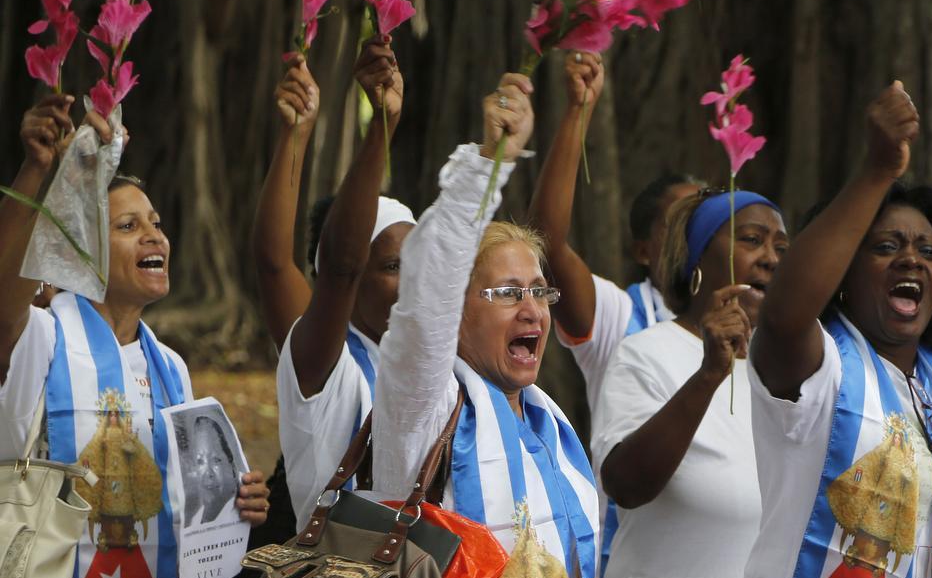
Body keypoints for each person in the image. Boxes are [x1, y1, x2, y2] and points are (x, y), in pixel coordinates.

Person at [0, 95, 269, 578]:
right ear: (81, 252)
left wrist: (234, 501)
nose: (155, 237)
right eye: (129, 226)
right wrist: (39, 170)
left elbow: (185, 508)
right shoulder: (43, 335)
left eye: (157, 224)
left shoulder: (170, 368)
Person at [745, 82, 932, 578]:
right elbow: (783, 315)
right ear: (842, 273)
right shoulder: (820, 370)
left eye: (929, 252)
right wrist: (878, 170)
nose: (911, 259)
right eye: (886, 246)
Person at [368, 73, 599, 577]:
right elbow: (427, 290)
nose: (532, 309)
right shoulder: (424, 407)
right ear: (456, 310)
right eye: (508, 293)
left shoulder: (549, 425)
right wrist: (488, 163)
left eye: (539, 291)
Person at [527, 52, 701, 572]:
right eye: (681, 224)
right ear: (644, 251)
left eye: (711, 223)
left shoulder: (754, 332)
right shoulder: (620, 317)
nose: (699, 238)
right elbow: (547, 243)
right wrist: (579, 110)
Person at [253, 35, 414, 527]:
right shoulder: (328, 360)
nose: (413, 283)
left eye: (420, 265)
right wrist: (300, 135)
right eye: (391, 267)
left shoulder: (446, 367)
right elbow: (278, 263)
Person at [592, 188, 786, 577]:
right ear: (697, 257)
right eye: (751, 240)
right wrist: (709, 375)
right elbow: (626, 486)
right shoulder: (646, 353)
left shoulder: (788, 374)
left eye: (782, 248)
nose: (771, 259)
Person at [183, 414, 241, 527]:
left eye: (216, 460)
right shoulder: (195, 520)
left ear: (230, 464)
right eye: (200, 462)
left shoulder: (242, 510)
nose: (208, 473)